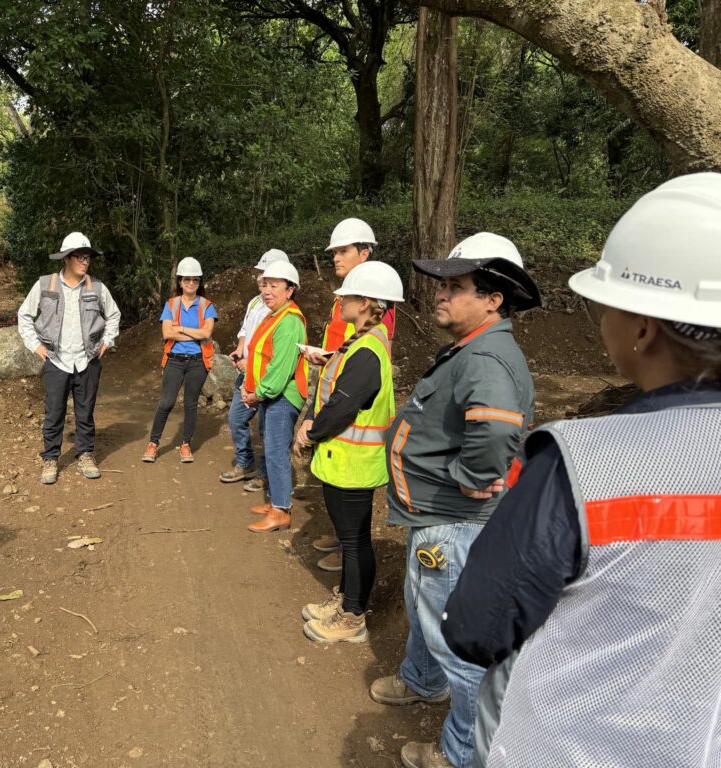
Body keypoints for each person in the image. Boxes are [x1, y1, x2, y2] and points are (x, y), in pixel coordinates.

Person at [441, 173, 721, 768]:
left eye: (605, 305)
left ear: (643, 327)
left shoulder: (584, 464)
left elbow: (477, 626)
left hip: (572, 746)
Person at [369, 233, 541, 768]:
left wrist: (473, 475)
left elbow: (496, 430)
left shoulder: (486, 357)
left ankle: (463, 751)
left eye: (456, 286)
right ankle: (423, 679)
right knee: (425, 606)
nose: (440, 294)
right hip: (437, 515)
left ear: (493, 299)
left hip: (454, 520)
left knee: (456, 640)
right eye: (442, 285)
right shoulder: (473, 347)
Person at [294, 262, 403, 644]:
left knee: (355, 541)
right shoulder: (360, 342)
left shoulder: (368, 351)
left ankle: (353, 616)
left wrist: (310, 432)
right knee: (350, 537)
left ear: (367, 302)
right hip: (343, 461)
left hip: (355, 464)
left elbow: (343, 405)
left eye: (348, 296)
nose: (340, 300)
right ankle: (346, 599)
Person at [307, 218, 397, 573]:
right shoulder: (345, 298)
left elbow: (365, 363)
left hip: (351, 408)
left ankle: (349, 552)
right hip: (337, 384)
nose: (336, 257)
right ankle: (342, 539)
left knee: (353, 513)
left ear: (364, 253)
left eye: (343, 250)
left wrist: (313, 428)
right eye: (334, 252)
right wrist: (328, 358)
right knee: (340, 498)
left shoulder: (376, 300)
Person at [18, 231, 121, 484]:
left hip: (87, 360)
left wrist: (107, 342)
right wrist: (35, 345)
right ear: (66, 258)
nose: (85, 262)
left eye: (87, 257)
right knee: (54, 412)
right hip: (57, 360)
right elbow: (24, 315)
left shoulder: (97, 287)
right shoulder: (45, 285)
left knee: (86, 411)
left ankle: (85, 454)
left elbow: (114, 315)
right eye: (79, 257)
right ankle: (50, 458)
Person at [242, 260, 309, 533]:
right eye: (265, 285)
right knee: (271, 446)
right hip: (272, 394)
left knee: (276, 450)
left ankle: (281, 510)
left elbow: (281, 368)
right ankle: (275, 501)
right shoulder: (275, 315)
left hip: (283, 395)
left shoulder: (289, 320)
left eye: (274, 286)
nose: (266, 291)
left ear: (289, 290)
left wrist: (258, 393)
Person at [219, 248, 290, 489]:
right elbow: (245, 331)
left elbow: (276, 349)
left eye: (267, 275)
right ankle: (245, 461)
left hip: (267, 375)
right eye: (260, 273)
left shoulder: (281, 311)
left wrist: (252, 362)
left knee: (266, 427)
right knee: (236, 418)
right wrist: (240, 351)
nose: (261, 278)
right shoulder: (254, 302)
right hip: (247, 374)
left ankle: (266, 473)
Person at [142, 257, 217, 463]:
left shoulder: (207, 306)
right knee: (166, 402)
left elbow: (206, 333)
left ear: (199, 282)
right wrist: (195, 333)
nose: (191, 283)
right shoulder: (171, 304)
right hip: (174, 360)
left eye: (195, 279)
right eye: (187, 279)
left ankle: (185, 444)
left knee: (191, 404)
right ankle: (153, 443)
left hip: (197, 361)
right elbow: (167, 333)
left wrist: (181, 328)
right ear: (180, 281)